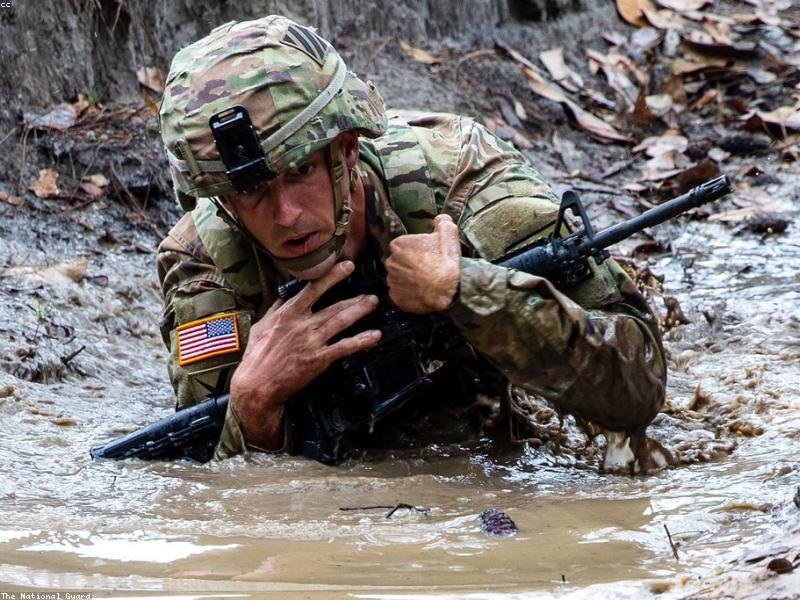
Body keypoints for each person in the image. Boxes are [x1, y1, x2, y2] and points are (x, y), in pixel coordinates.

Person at [156, 15, 667, 467]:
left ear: (348, 149)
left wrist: (468, 290)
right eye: (250, 192)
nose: (285, 216)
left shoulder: (460, 178)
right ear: (220, 199)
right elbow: (209, 492)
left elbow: (637, 389)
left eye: (302, 171)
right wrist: (255, 403)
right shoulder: (208, 263)